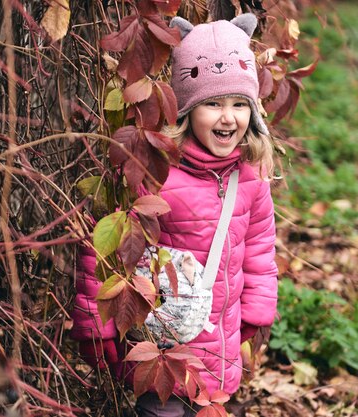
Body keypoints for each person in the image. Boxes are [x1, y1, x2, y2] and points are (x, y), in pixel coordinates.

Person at [71, 13, 279, 417]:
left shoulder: (251, 179)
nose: (228, 117)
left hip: (220, 356)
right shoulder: (157, 174)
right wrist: (98, 330)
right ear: (186, 110)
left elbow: (259, 251)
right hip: (161, 358)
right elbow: (106, 250)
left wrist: (254, 316)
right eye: (213, 104)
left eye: (239, 104)